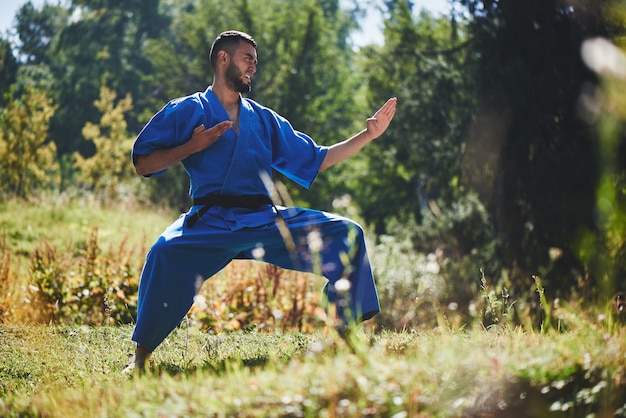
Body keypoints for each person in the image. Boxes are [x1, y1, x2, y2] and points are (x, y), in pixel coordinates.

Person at [129, 30, 396, 370]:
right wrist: (191, 148)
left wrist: (368, 135)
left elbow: (318, 158)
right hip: (210, 220)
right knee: (163, 252)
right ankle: (141, 356)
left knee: (348, 232)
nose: (254, 67)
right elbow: (143, 163)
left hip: (264, 220)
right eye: (248, 59)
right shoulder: (187, 110)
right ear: (223, 59)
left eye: (255, 61)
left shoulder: (264, 119)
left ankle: (347, 336)